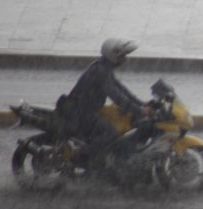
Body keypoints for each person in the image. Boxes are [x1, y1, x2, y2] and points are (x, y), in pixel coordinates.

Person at [63, 38, 149, 169]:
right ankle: (80, 155)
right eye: (122, 55)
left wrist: (142, 104)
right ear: (113, 55)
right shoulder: (100, 71)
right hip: (81, 112)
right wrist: (138, 110)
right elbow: (116, 96)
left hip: (85, 109)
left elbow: (121, 89)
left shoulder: (104, 67)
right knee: (110, 133)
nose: (125, 58)